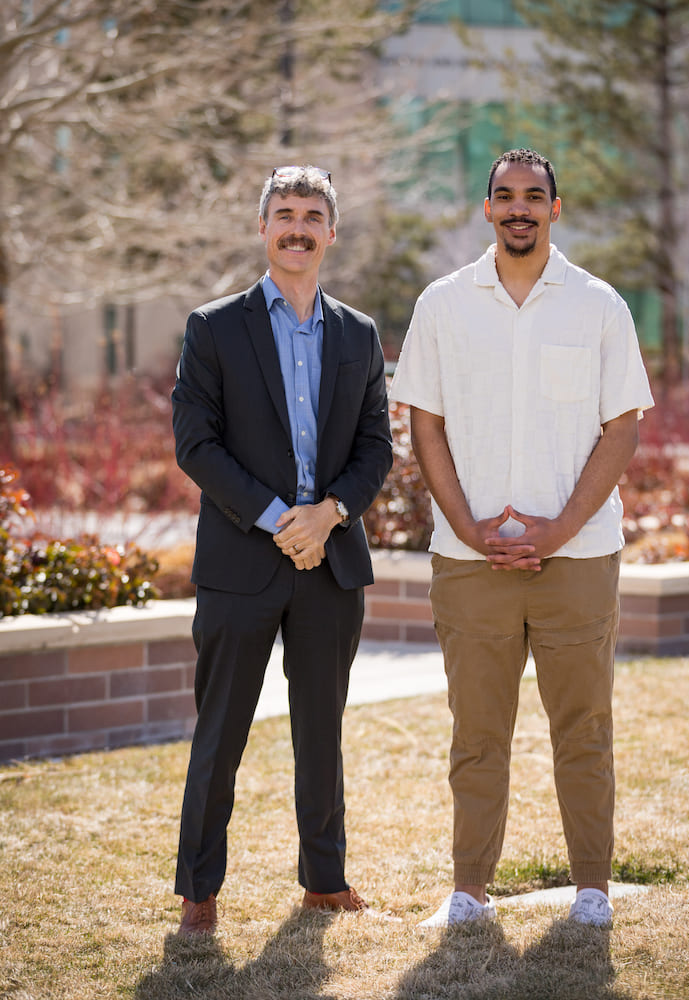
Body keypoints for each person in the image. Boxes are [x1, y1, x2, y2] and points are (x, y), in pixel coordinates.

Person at [390, 148, 654, 928]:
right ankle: (469, 889)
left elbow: (623, 425)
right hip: (470, 563)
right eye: (504, 195)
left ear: (555, 209)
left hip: (577, 559)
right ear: (486, 209)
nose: (518, 208)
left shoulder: (600, 304)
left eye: (533, 196)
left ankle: (592, 889)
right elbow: (424, 421)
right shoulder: (442, 303)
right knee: (476, 732)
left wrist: (561, 526)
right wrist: (468, 527)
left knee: (584, 727)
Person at [171, 165, 393, 936]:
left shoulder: (359, 335)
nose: (297, 227)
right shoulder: (214, 327)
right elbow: (195, 445)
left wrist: (328, 515)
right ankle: (199, 888)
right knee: (221, 727)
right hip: (241, 561)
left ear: (331, 233)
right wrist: (278, 519)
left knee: (321, 727)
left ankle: (324, 880)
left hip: (330, 563)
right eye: (284, 213)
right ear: (263, 228)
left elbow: (376, 449)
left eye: (312, 215)